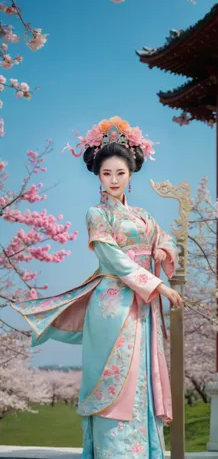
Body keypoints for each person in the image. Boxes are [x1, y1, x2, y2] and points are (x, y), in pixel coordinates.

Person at [12, 116, 183, 458]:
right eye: (107, 174)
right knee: (117, 377)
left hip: (142, 303)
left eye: (120, 173)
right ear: (98, 176)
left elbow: (166, 237)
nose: (114, 180)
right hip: (113, 304)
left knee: (142, 377)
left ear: (130, 174)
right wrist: (158, 286)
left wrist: (164, 249)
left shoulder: (144, 215)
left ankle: (143, 451)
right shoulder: (97, 214)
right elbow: (111, 257)